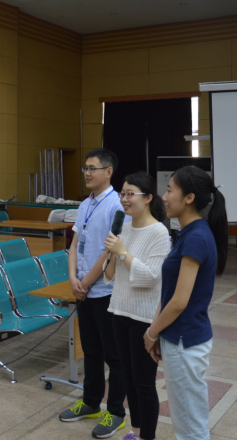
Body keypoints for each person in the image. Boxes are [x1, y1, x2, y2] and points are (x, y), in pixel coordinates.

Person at [82, 172, 170, 440]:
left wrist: (121, 252)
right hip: (119, 311)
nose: (124, 199)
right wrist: (112, 253)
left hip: (144, 317)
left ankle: (147, 437)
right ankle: (136, 432)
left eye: (130, 194)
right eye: (122, 194)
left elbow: (150, 277)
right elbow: (110, 275)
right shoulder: (124, 228)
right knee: (129, 381)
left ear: (148, 198)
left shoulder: (159, 232)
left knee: (144, 383)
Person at [145, 166, 228, 440]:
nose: (164, 197)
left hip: (184, 340)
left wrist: (151, 332)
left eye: (170, 190)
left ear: (189, 198)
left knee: (190, 427)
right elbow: (169, 293)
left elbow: (179, 302)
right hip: (180, 336)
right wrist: (159, 331)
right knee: (188, 420)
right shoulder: (191, 233)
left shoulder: (196, 237)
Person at [59, 148, 127, 439]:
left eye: (92, 168)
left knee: (115, 356)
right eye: (85, 168)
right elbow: (75, 243)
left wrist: (84, 283)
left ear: (108, 171)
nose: (87, 173)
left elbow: (109, 252)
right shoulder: (85, 203)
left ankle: (116, 412)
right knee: (91, 351)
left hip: (105, 292)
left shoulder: (117, 205)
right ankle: (90, 403)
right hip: (84, 290)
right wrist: (73, 278)